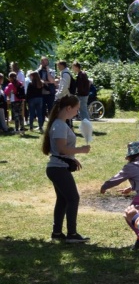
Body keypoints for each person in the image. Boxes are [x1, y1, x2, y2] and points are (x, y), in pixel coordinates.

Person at [42, 95, 91, 243]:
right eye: (76, 109)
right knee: (73, 198)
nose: (77, 112)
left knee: (63, 200)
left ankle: (57, 232)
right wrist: (81, 150)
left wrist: (72, 158)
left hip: (58, 166)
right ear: (68, 108)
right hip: (58, 169)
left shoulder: (60, 124)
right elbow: (62, 149)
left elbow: (60, 151)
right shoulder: (60, 125)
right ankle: (72, 234)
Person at [100, 141, 139, 251]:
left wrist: (105, 186)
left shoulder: (131, 166)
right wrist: (130, 188)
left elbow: (118, 178)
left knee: (128, 214)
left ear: (131, 155)